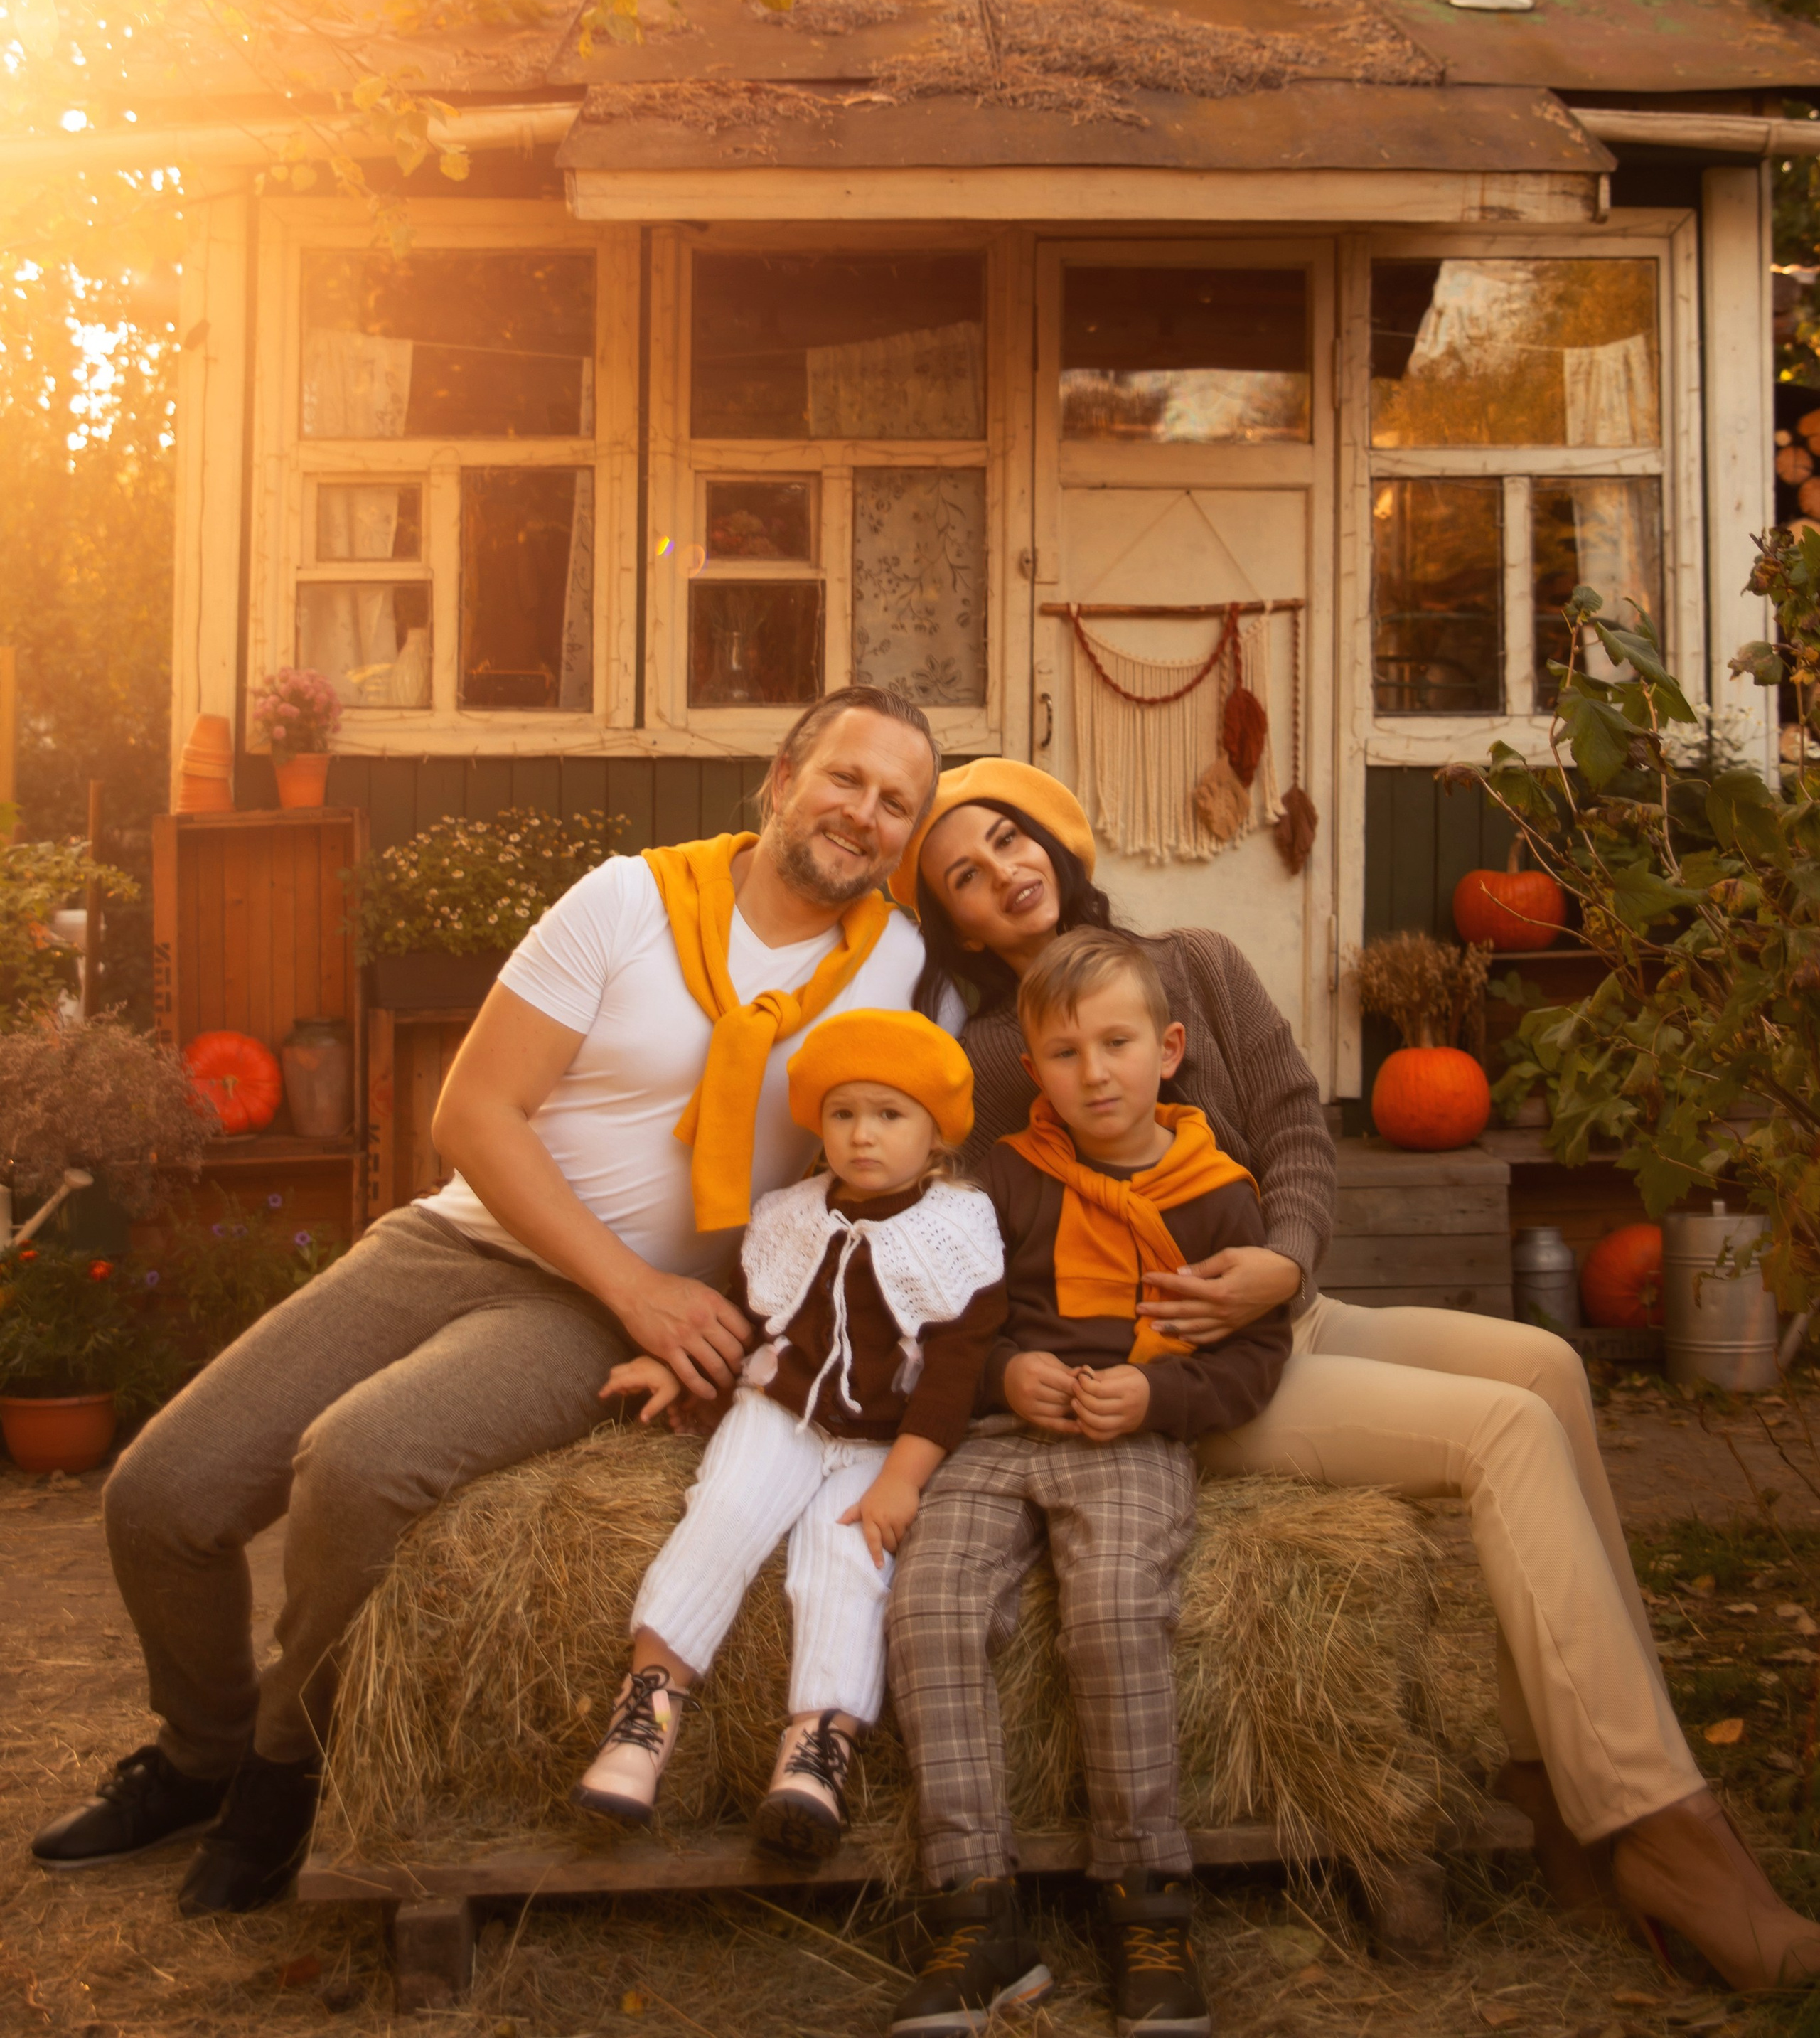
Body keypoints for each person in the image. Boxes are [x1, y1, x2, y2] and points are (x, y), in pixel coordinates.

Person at [897, 757, 1820, 1995]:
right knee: (1500, 1436)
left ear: (1051, 843)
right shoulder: (1003, 1062)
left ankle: (1562, 1776)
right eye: (965, 872)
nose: (1003, 871)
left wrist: (1284, 1261)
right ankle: (1666, 1835)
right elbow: (985, 1265)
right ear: (950, 919)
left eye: (1008, 838)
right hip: (1189, 1370)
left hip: (1288, 1308)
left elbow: (1291, 1124)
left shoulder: (1199, 965)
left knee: (1548, 1364)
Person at [32, 685, 945, 1917]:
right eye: (848, 778)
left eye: (899, 803)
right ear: (784, 777)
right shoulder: (630, 899)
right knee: (160, 1497)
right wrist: (637, 1285)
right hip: (473, 1243)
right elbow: (468, 1114)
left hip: (590, 1321)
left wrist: (695, 1322)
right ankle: (197, 1755)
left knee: (354, 1465)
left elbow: (875, 1185)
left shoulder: (898, 970)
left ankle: (281, 1771)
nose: (865, 814)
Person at [887, 925, 1293, 2038]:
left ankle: (1147, 1899)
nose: (1093, 1073)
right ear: (1032, 1068)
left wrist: (1157, 1402)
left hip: (1132, 1440)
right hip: (1004, 1440)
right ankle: (976, 1910)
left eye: (1116, 1045)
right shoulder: (1002, 1179)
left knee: (1115, 1609)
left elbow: (1255, 1359)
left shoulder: (1220, 1195)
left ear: (1167, 1050)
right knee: (927, 1607)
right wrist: (1009, 1372)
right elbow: (964, 1319)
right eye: (1063, 1054)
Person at [577, 1008, 1005, 1864]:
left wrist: (904, 1481)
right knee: (721, 1517)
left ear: (935, 1135)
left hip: (882, 1447)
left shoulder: (960, 1230)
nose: (862, 1136)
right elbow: (751, 1318)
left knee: (847, 1565)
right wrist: (677, 1369)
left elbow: (954, 1378)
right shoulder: (788, 1215)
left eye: (890, 1116)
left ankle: (817, 1749)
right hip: (777, 1417)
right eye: (843, 1114)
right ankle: (645, 1715)